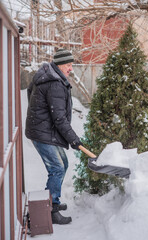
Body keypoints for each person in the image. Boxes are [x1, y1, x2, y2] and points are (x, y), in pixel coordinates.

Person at [25, 48, 83, 225]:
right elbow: (59, 118)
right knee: (57, 168)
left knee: (62, 164)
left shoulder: (46, 75)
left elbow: (29, 92)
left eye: (71, 65)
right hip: (43, 133)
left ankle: (51, 200)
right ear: (58, 65)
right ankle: (51, 210)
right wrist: (73, 139)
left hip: (42, 129)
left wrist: (39, 114)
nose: (70, 68)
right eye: (68, 65)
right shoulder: (55, 83)